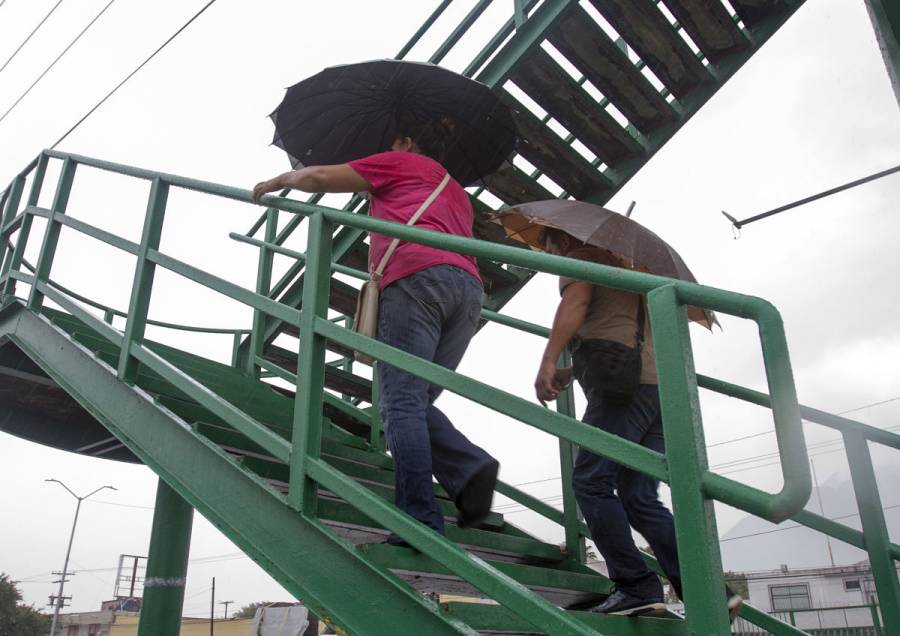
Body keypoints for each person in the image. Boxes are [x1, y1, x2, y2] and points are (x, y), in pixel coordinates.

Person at [252, 119, 500, 544]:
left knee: (399, 403)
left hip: (416, 278)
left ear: (406, 141)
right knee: (414, 400)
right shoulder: (455, 190)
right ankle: (467, 468)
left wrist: (277, 180)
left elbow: (318, 177)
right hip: (467, 289)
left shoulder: (401, 161)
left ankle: (418, 517)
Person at [534, 227, 741, 619]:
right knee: (639, 497)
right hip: (662, 390)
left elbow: (577, 302)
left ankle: (635, 585)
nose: (548, 251)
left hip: (622, 393)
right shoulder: (638, 271)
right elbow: (628, 337)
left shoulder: (580, 258)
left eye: (547, 244)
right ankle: (711, 588)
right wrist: (572, 371)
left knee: (591, 482)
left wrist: (550, 358)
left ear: (562, 238)